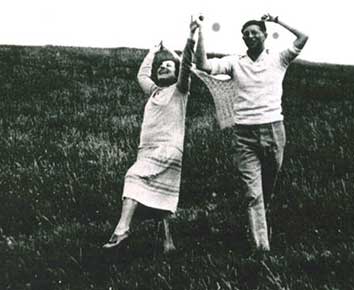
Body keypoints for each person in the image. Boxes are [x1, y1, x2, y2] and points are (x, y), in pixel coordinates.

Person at [194, 13, 308, 251]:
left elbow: (303, 37)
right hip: (244, 135)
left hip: (274, 130)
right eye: (246, 34)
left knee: (267, 187)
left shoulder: (279, 58)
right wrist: (199, 32)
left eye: (255, 32)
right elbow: (204, 65)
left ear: (265, 35)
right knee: (252, 193)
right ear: (243, 39)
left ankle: (262, 223)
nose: (250, 36)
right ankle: (261, 249)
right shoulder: (235, 62)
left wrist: (278, 20)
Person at [102, 17, 199, 252]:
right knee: (161, 194)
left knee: (133, 177)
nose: (163, 67)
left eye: (168, 66)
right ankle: (168, 243)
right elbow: (141, 75)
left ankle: (122, 229)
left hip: (167, 148)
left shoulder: (180, 91)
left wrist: (190, 37)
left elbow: (186, 64)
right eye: (160, 67)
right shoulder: (154, 92)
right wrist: (154, 51)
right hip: (147, 150)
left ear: (176, 74)